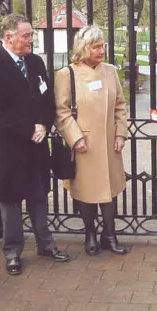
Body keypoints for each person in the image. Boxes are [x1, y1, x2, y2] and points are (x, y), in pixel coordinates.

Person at [0, 13, 70, 276]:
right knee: (11, 201)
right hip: (9, 147)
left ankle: (46, 245)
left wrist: (44, 124)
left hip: (36, 145)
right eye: (27, 35)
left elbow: (46, 98)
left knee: (39, 195)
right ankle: (12, 252)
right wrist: (29, 129)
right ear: (9, 37)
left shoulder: (36, 62)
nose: (32, 40)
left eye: (31, 35)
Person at [55, 25, 129, 256]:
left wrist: (120, 134)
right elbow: (62, 111)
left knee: (110, 190)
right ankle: (90, 234)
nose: (101, 50)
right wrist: (75, 138)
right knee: (87, 192)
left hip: (108, 143)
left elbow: (120, 105)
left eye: (102, 45)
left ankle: (110, 234)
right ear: (83, 48)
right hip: (84, 145)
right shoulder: (67, 74)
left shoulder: (109, 71)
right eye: (96, 46)